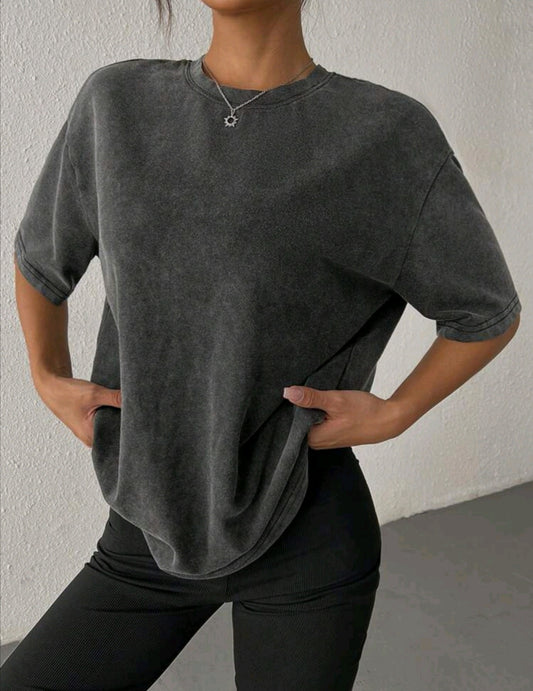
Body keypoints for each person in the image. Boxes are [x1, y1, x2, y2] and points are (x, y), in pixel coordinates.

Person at [3, 0, 522, 689]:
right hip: (145, 530)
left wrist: (396, 412)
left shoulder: (384, 133)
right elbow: (41, 260)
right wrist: (47, 375)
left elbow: (484, 309)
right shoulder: (116, 104)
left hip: (307, 533)